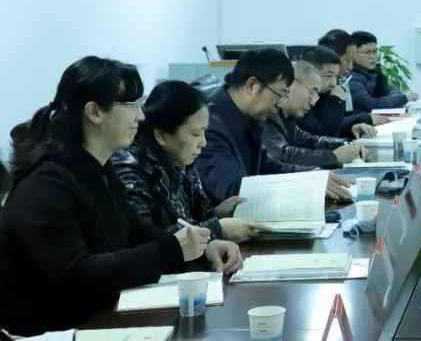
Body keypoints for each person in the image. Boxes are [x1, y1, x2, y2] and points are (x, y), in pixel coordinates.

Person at [0, 58, 240, 335]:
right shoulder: (46, 185)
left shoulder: (99, 170)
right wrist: (173, 249)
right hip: (55, 331)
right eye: (131, 105)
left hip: (98, 319)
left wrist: (200, 247)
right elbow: (75, 275)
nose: (141, 116)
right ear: (94, 112)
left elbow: (140, 233)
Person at [113, 80, 270, 243]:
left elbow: (190, 219)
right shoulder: (130, 174)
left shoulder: (180, 162)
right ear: (161, 135)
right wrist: (217, 229)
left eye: (204, 132)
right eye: (195, 134)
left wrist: (217, 213)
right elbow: (149, 243)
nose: (203, 143)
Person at [194, 49, 354, 205]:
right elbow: (232, 190)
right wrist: (304, 184)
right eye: (279, 95)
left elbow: (268, 166)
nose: (278, 105)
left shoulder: (248, 116)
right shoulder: (208, 125)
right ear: (252, 85)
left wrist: (313, 176)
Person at [263, 61, 374, 169]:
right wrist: (334, 157)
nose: (313, 102)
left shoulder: (287, 120)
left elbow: (312, 141)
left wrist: (348, 145)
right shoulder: (265, 115)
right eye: (312, 92)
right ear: (290, 84)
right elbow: (284, 156)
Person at [297, 45, 386, 137]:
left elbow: (337, 123)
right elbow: (324, 133)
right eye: (328, 76)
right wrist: (336, 100)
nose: (333, 83)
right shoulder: (301, 100)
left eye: (336, 76)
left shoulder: (325, 94)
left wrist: (352, 127)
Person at [348, 31, 415, 113]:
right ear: (353, 53)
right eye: (367, 52)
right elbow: (370, 105)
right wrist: (404, 98)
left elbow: (388, 93)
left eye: (375, 51)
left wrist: (401, 96)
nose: (372, 56)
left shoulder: (374, 72)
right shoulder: (351, 78)